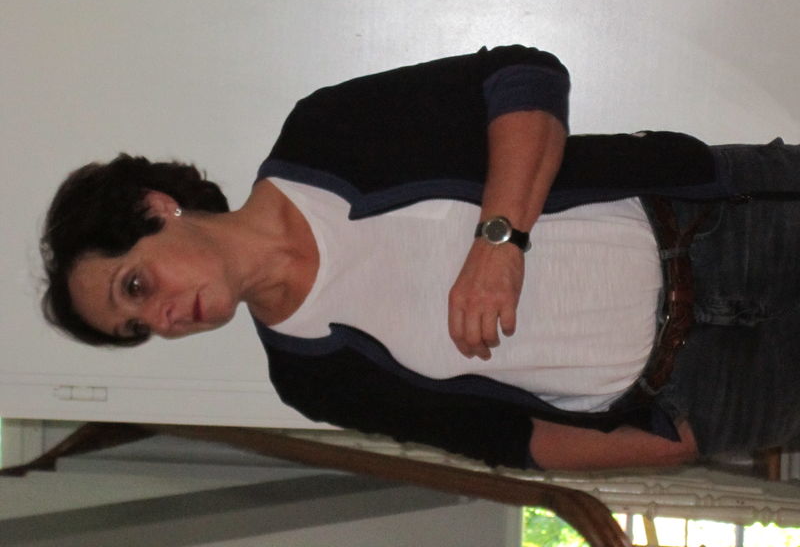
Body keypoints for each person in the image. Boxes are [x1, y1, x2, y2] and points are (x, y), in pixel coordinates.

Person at [41, 45, 800, 471]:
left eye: (135, 286)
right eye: (137, 327)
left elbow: (525, 76)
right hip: (713, 393)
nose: (161, 319)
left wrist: (498, 242)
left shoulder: (323, 135)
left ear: (156, 208)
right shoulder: (307, 379)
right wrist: (669, 445)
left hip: (725, 224)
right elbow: (504, 440)